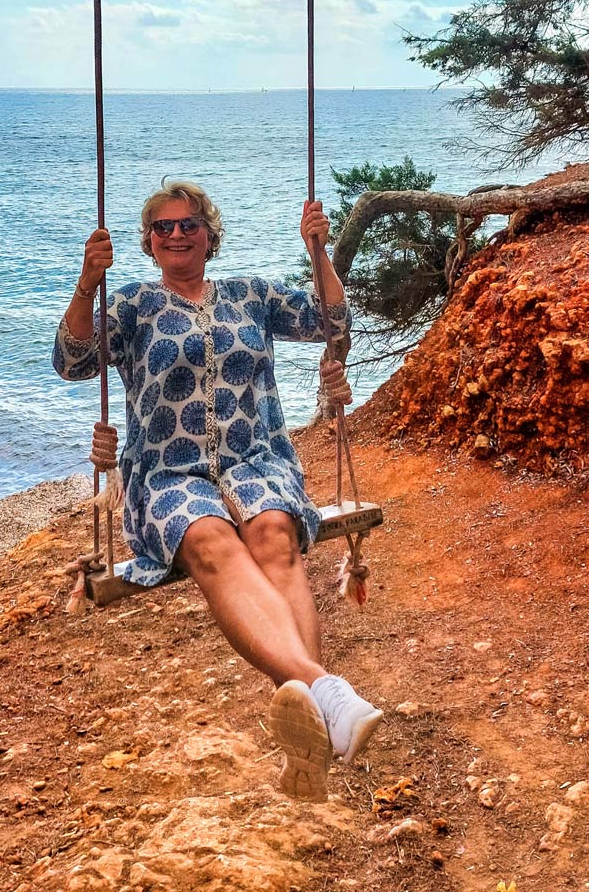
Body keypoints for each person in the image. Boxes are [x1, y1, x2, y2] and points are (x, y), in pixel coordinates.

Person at [53, 179, 382, 801]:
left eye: (189, 224)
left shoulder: (251, 295)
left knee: (274, 534)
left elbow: (331, 321)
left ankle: (312, 726)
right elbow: (72, 361)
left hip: (255, 461)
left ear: (210, 235)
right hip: (167, 473)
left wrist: (318, 251)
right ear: (149, 242)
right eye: (164, 227)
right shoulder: (131, 306)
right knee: (211, 541)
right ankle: (327, 693)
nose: (177, 234)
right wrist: (87, 283)